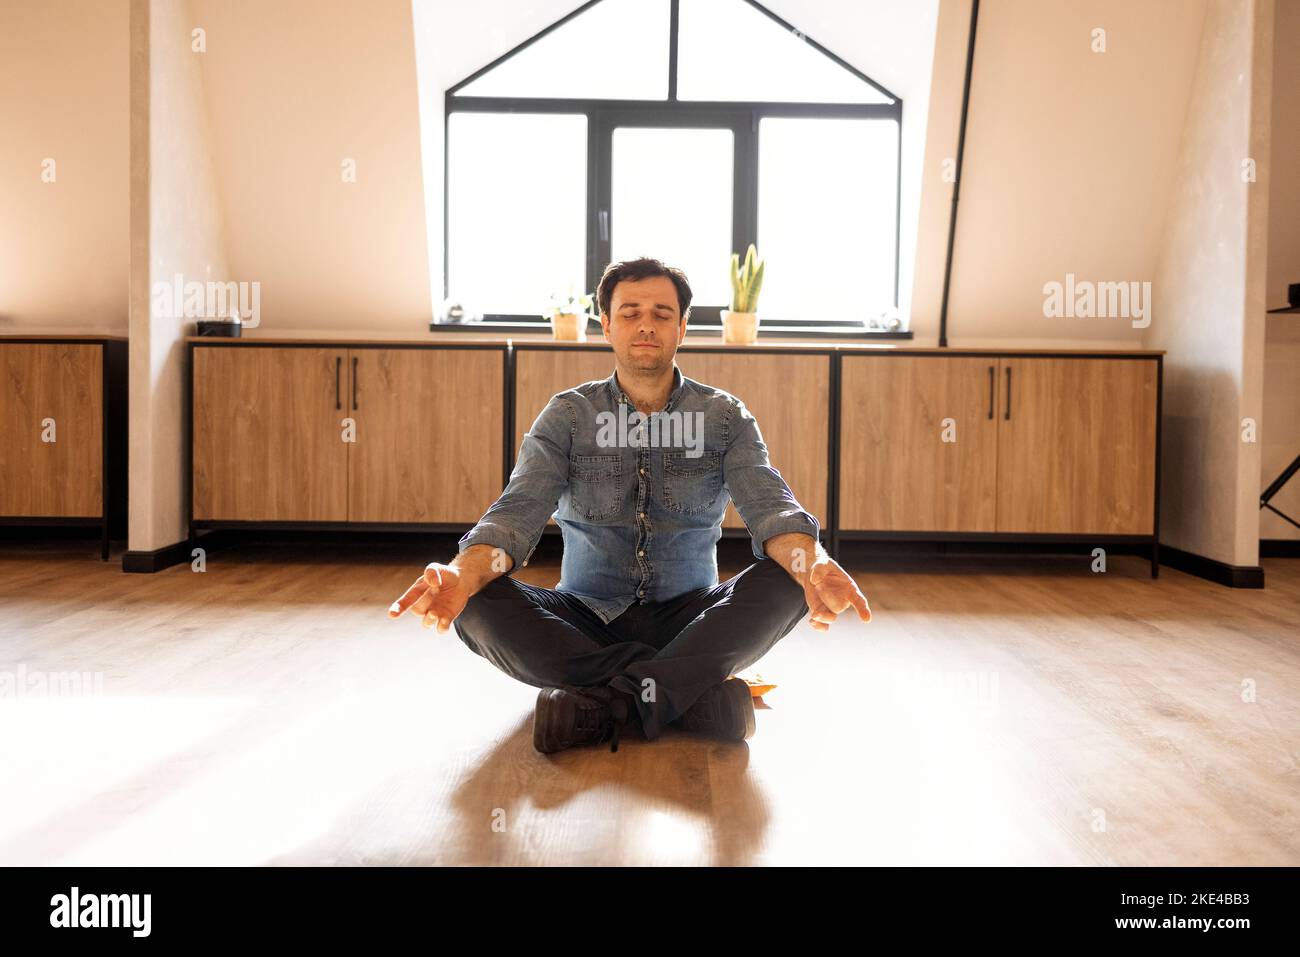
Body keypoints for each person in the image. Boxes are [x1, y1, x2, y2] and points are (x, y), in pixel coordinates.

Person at [389, 257, 871, 753]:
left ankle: (601, 703)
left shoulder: (724, 417)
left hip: (692, 619)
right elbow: (516, 514)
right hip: (582, 619)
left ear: (682, 328)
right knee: (477, 598)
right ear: (607, 325)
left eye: (662, 314)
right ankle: (680, 693)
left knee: (785, 578)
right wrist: (462, 573)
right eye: (630, 312)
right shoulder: (567, 415)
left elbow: (772, 508)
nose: (646, 324)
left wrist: (812, 563)